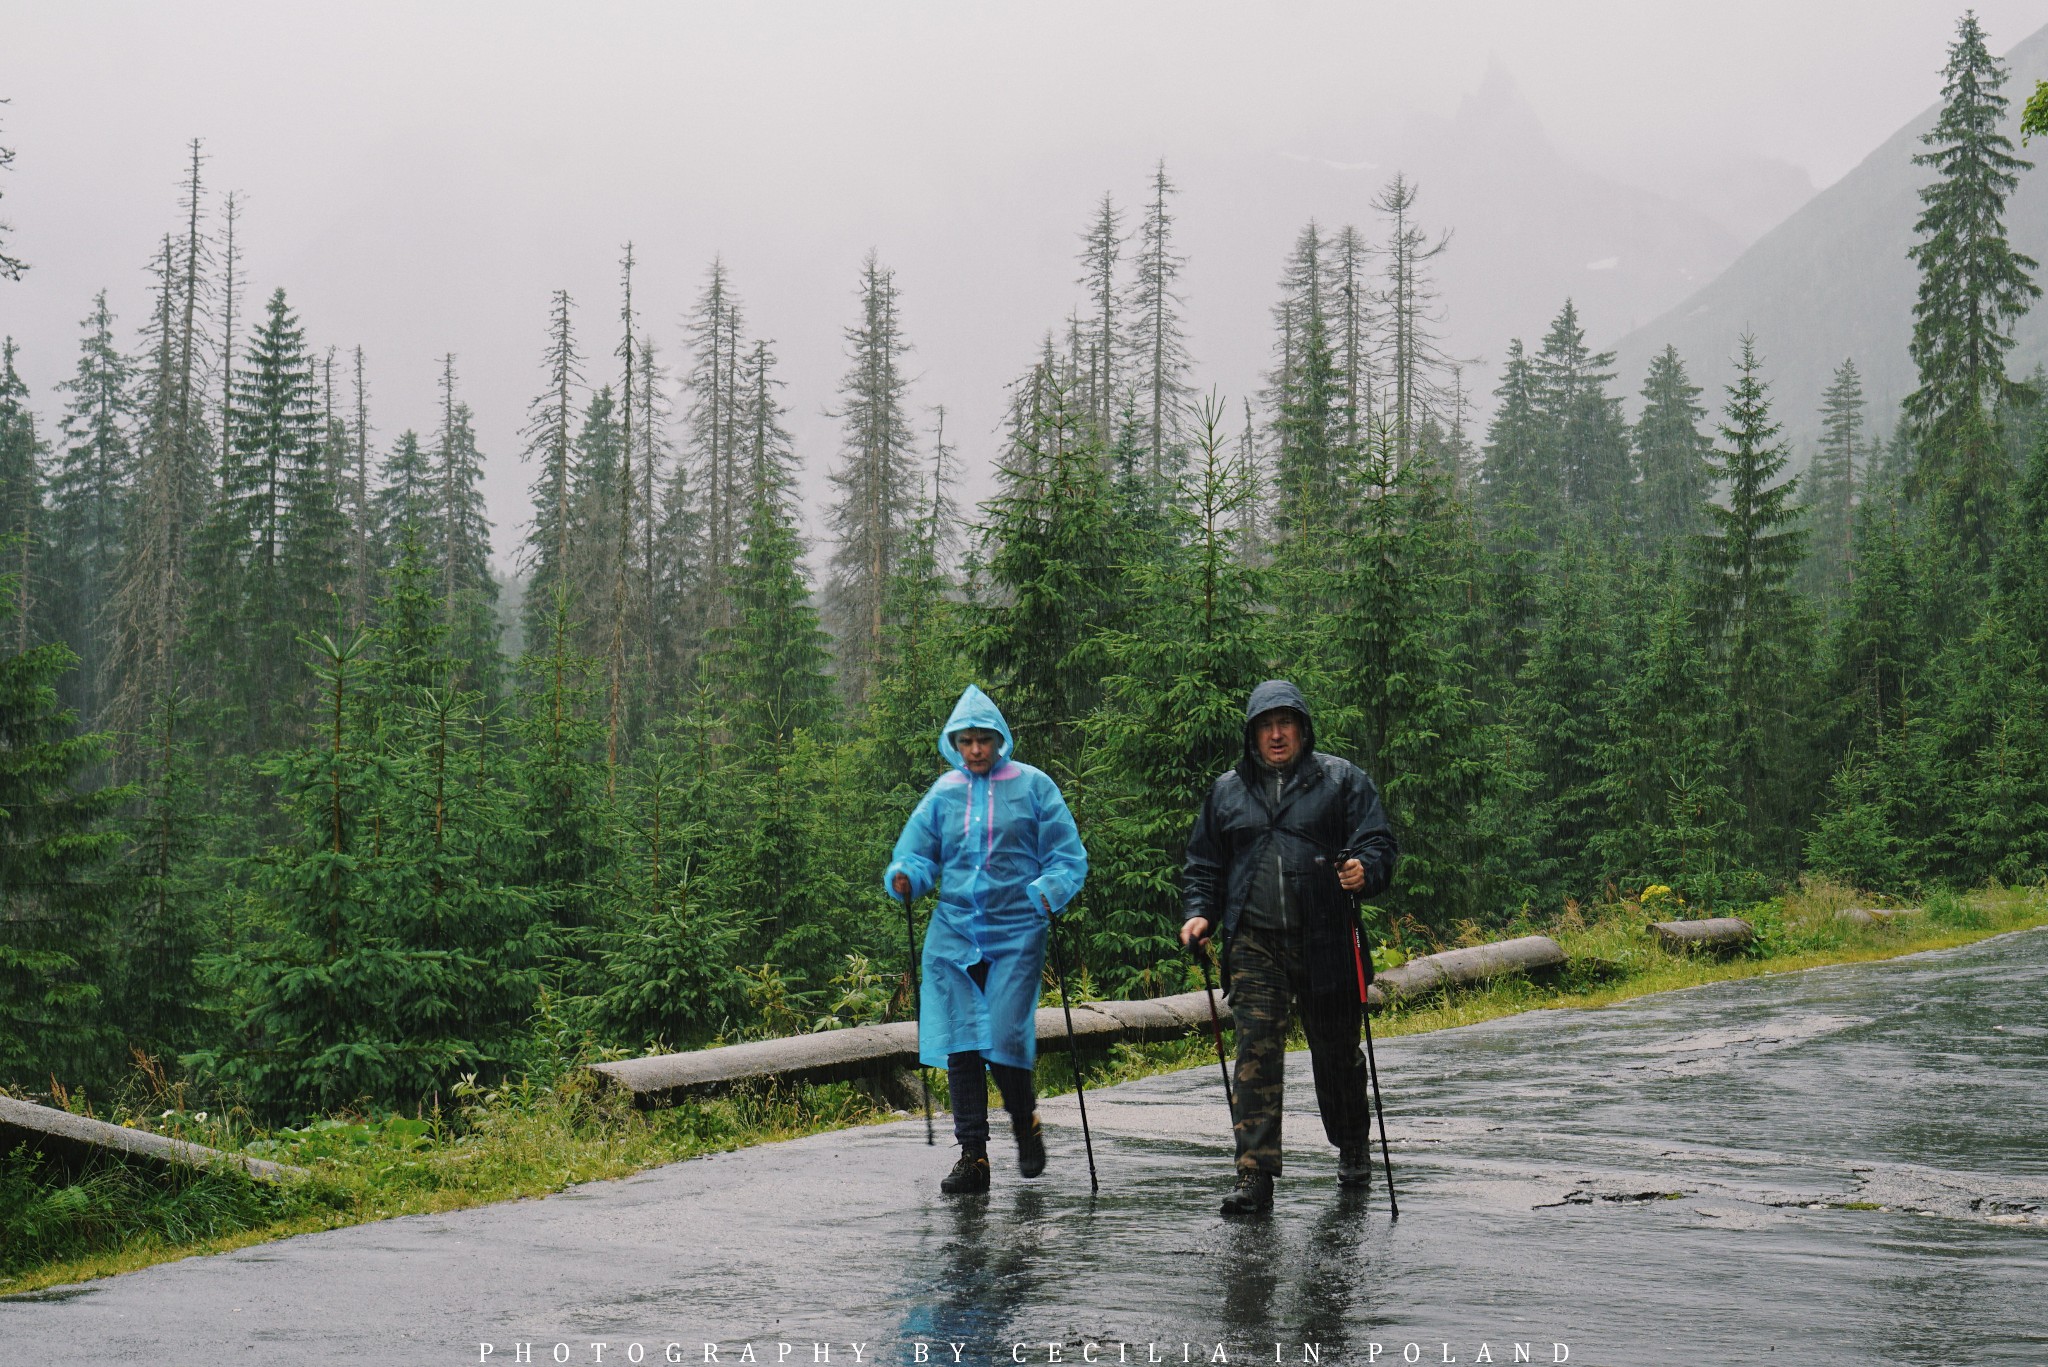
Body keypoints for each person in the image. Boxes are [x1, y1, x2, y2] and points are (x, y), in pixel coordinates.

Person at [1180, 679, 1399, 1215]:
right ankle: (1254, 1175)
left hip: (1326, 939)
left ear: (1302, 728)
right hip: (1255, 943)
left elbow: (1379, 843)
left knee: (1336, 1054)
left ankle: (1351, 1145)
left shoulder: (1342, 780)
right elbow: (1203, 865)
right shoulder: (1226, 791)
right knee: (1256, 1051)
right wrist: (1199, 913)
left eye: (1286, 724)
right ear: (1252, 734)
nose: (1276, 735)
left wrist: (1363, 870)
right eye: (1265, 726)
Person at [886, 685, 1089, 1195]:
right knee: (960, 1042)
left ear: (1000, 740)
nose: (975, 749)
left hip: (1016, 931)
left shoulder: (1034, 787)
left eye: (984, 739)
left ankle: (1025, 1124)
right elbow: (918, 854)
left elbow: (1068, 858)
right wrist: (907, 874)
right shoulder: (943, 793)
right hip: (954, 933)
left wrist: (1049, 890)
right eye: (966, 740)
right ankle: (973, 1155)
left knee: (1002, 1037)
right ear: (953, 742)